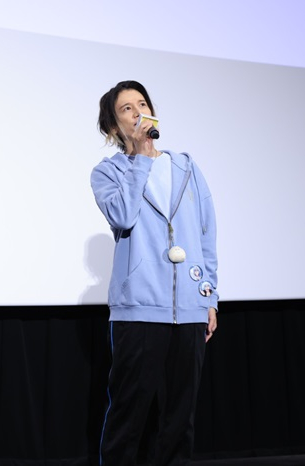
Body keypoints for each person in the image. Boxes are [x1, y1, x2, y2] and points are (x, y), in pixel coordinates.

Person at [90, 80, 219, 466]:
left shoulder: (186, 167)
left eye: (142, 103)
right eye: (126, 109)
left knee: (179, 420)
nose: (138, 112)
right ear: (114, 127)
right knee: (128, 417)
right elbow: (123, 216)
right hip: (139, 310)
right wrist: (141, 159)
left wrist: (209, 296)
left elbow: (206, 233)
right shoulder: (108, 172)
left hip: (190, 310)